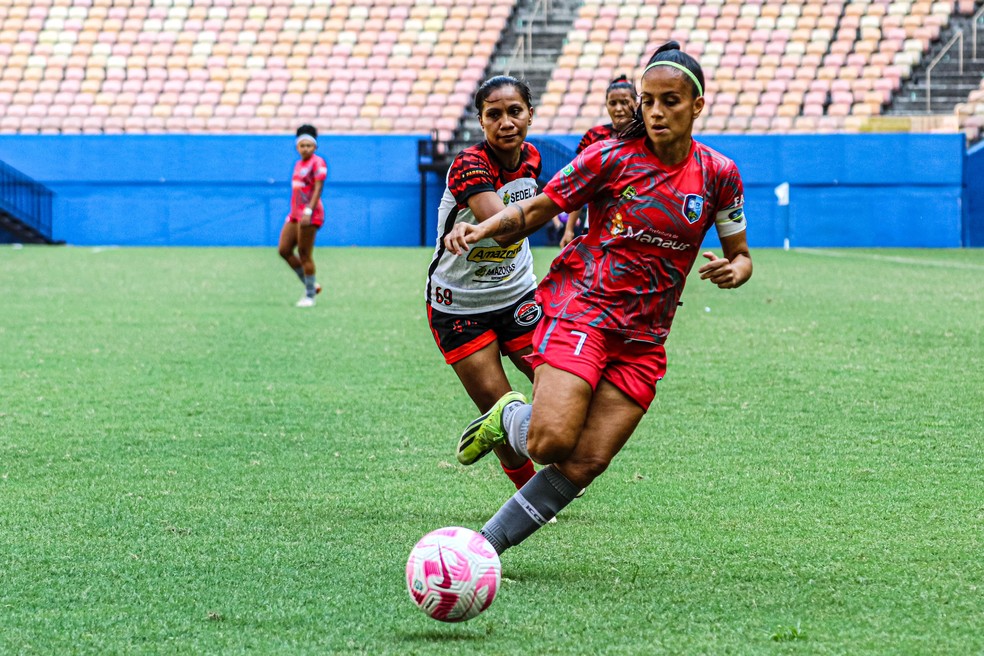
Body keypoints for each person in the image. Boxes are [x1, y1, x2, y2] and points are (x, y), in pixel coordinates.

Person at [444, 42, 753, 556]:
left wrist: (735, 269)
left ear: (697, 105)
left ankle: (480, 551)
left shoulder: (719, 174)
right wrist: (483, 229)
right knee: (550, 442)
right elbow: (537, 210)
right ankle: (510, 419)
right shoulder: (609, 158)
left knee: (585, 462)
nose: (655, 111)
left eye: (670, 101)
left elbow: (740, 252)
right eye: (647, 100)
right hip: (584, 311)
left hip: (645, 338)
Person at [425, 76, 544, 491]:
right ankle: (530, 497)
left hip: (518, 294)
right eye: (494, 114)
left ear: (530, 114)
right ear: (481, 121)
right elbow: (509, 228)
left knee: (563, 384)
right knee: (500, 412)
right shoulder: (469, 164)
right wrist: (564, 204)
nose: (506, 121)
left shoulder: (533, 159)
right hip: (459, 306)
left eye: (515, 111)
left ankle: (555, 453)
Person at [560, 74, 639, 248]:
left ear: (636, 103)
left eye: (624, 102)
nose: (618, 109)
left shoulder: (647, 137)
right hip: (596, 225)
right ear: (606, 105)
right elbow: (579, 185)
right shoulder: (594, 137)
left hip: (636, 227)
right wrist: (569, 229)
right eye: (613, 103)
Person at [278, 124, 327, 308]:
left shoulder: (318, 163)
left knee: (304, 254)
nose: (305, 149)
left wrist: (308, 210)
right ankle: (311, 285)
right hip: (295, 214)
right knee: (284, 250)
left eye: (309, 145)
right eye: (302, 145)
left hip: (310, 214)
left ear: (315, 147)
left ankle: (309, 295)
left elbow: (317, 189)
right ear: (297, 147)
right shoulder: (298, 165)